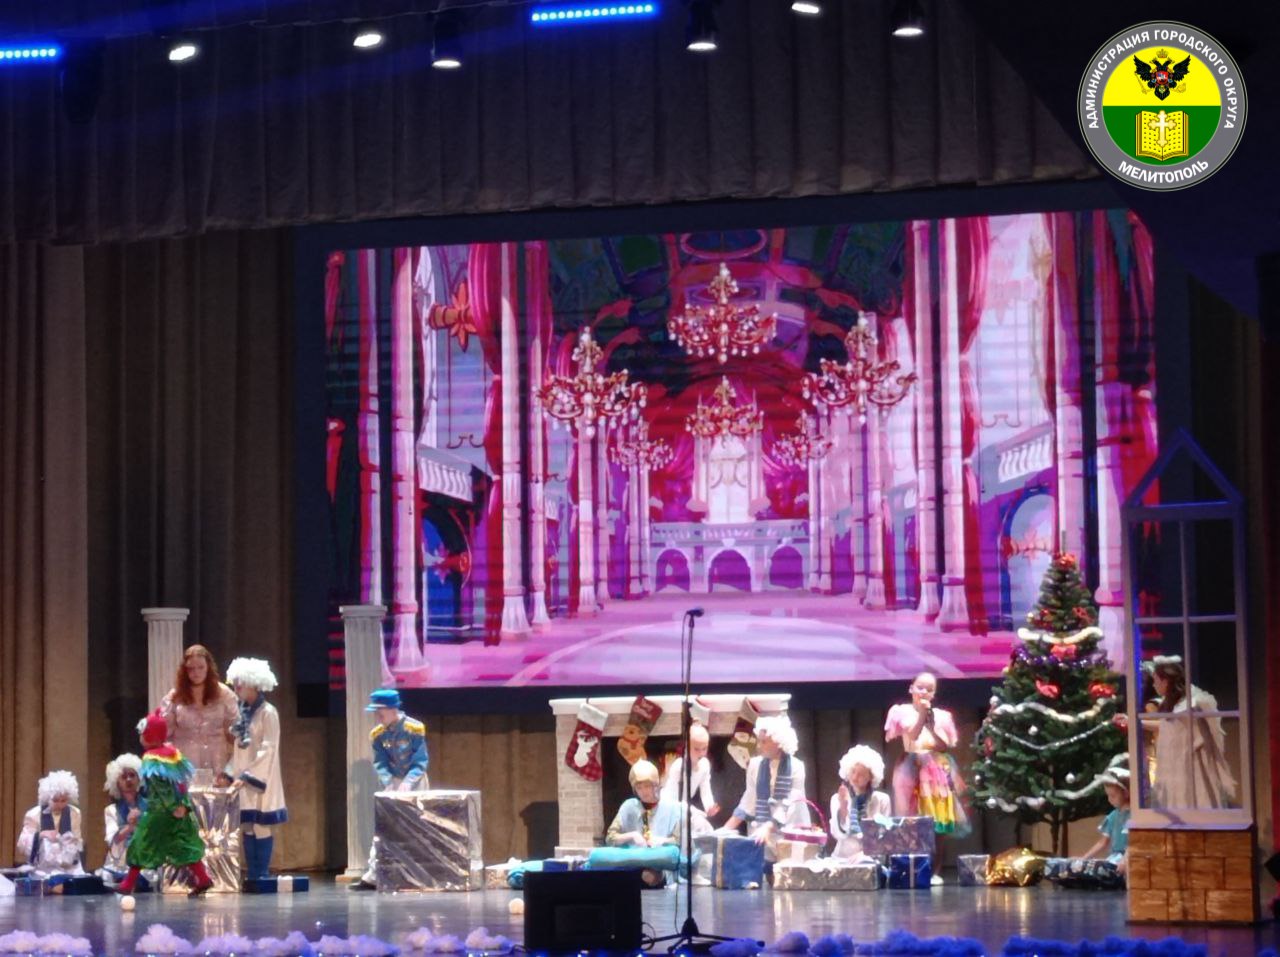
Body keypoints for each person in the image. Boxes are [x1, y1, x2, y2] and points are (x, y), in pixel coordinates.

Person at [113, 710, 214, 897]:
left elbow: (162, 788)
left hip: (160, 812)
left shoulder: (151, 758)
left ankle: (128, 883)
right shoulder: (173, 754)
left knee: (141, 841)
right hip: (179, 809)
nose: (141, 738)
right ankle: (203, 879)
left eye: (143, 734)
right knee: (182, 842)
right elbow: (181, 784)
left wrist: (172, 806)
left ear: (150, 735)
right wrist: (183, 805)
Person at [885, 672, 970, 884]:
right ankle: (912, 869)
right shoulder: (902, 712)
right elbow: (912, 736)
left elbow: (943, 746)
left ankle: (934, 871)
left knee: (937, 822)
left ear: (934, 693)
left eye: (929, 689)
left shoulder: (942, 716)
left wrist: (931, 727)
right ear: (911, 688)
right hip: (911, 766)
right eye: (920, 687)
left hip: (935, 770)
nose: (924, 692)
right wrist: (922, 716)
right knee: (912, 819)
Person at [353, 688, 429, 889]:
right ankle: (373, 875)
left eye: (380, 711)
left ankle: (420, 875)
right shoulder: (377, 734)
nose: (377, 716)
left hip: (415, 782)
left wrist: (408, 783)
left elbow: (420, 761)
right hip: (393, 782)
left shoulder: (414, 729)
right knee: (384, 828)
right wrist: (389, 782)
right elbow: (381, 762)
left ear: (393, 709)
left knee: (417, 828)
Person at [225, 656, 288, 883]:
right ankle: (252, 875)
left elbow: (269, 747)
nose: (236, 687)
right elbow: (239, 750)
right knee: (247, 826)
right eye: (235, 682)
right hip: (243, 779)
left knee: (261, 824)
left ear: (254, 683)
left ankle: (261, 873)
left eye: (241, 682)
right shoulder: (242, 714)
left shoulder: (268, 712)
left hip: (261, 777)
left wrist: (248, 775)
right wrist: (229, 772)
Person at [1147, 656, 1237, 809]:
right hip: (1177, 764)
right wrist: (1134, 723)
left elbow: (1173, 725)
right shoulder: (1175, 704)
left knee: (1193, 800)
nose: (1153, 684)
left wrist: (1136, 723)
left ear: (1165, 681)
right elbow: (1167, 726)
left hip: (1189, 763)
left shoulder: (1189, 704)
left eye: (1155, 680)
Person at [723, 715, 810, 860]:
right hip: (761, 832)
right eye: (759, 741)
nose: (759, 746)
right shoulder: (754, 765)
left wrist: (769, 826)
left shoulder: (796, 767)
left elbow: (790, 803)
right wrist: (727, 828)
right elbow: (750, 798)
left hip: (789, 831)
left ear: (779, 743)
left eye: (764, 742)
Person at [161, 644, 239, 780]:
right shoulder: (175, 696)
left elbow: (235, 733)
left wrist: (231, 769)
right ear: (185, 670)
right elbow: (165, 733)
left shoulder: (224, 694)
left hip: (217, 761)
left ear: (208, 667)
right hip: (186, 763)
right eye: (191, 669)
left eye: (200, 667)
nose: (196, 672)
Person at [1046, 766, 1130, 889]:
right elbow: (1102, 842)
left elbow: (1134, 843)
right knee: (1089, 866)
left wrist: (1125, 860)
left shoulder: (1134, 816)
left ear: (1126, 793)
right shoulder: (1112, 817)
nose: (1110, 800)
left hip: (1128, 858)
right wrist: (1083, 859)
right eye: (1108, 796)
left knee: (1109, 869)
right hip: (1114, 857)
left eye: (1113, 796)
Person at [604, 759, 683, 886]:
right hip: (632, 862)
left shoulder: (672, 808)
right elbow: (610, 838)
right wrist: (632, 835)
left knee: (649, 876)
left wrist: (661, 841)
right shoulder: (628, 807)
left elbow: (680, 841)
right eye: (639, 787)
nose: (643, 791)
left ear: (655, 785)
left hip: (659, 865)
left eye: (647, 786)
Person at [16, 771, 86, 884]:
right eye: (55, 800)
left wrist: (71, 841)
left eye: (63, 801)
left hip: (69, 867)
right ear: (47, 797)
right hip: (42, 869)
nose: (60, 804)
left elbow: (77, 840)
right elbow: (22, 844)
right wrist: (41, 835)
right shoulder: (34, 814)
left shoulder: (74, 813)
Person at [828, 745, 892, 860]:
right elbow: (837, 835)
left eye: (861, 774)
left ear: (871, 777)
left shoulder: (882, 800)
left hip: (870, 859)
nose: (855, 777)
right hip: (842, 859)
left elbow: (885, 835)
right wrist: (843, 808)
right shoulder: (837, 798)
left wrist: (866, 854)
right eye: (853, 771)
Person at [99, 754, 150, 888]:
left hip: (146, 860)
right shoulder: (111, 810)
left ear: (139, 779)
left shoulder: (150, 807)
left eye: (132, 775)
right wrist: (130, 826)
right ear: (117, 782)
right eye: (124, 776)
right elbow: (114, 840)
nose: (128, 780)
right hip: (120, 862)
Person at [660, 721, 719, 834]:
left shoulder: (705, 764)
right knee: (694, 823)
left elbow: (705, 789)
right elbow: (672, 796)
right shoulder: (679, 766)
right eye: (696, 749)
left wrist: (709, 806)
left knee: (703, 827)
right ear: (687, 747)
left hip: (684, 807)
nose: (701, 753)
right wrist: (690, 810)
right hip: (669, 806)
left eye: (704, 749)